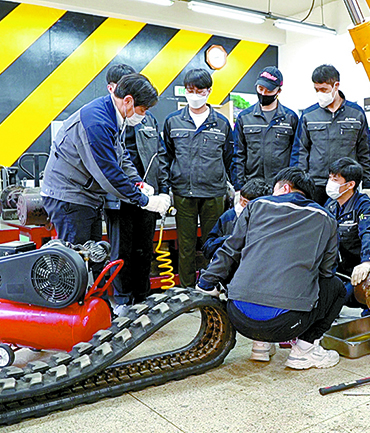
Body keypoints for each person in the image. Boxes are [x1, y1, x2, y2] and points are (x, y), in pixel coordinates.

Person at [196, 167, 345, 369]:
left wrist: (206, 282)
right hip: (286, 324)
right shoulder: (326, 218)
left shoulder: (256, 205)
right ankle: (304, 351)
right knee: (336, 287)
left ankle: (260, 346)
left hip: (239, 318)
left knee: (246, 261)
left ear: (284, 187)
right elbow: (327, 272)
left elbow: (230, 249)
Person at [41, 73, 171, 248]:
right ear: (128, 101)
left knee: (94, 256)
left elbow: (121, 155)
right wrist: (145, 201)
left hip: (87, 197)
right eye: (143, 110)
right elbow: (108, 174)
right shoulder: (97, 122)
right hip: (70, 199)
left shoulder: (112, 114)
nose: (144, 115)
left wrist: (137, 182)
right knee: (76, 262)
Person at [102, 65, 169, 316]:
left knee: (144, 249)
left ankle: (142, 297)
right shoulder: (107, 120)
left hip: (147, 196)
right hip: (119, 198)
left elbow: (159, 156)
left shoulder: (148, 118)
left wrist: (161, 191)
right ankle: (123, 300)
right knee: (121, 250)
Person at [162, 68, 235, 287]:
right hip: (184, 193)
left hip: (214, 193)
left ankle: (212, 286)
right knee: (185, 246)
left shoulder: (221, 123)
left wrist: (236, 190)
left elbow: (229, 158)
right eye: (190, 90)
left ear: (209, 91)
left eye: (199, 90)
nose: (194, 94)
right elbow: (166, 157)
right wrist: (166, 189)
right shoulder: (173, 121)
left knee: (213, 244)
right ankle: (187, 291)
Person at [291, 64, 370, 205]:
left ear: (336, 86)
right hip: (315, 184)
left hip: (346, 185)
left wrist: (367, 184)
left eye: (324, 89)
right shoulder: (308, 115)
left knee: (345, 225)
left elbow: (365, 152)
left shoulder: (356, 113)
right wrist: (298, 184)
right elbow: (300, 151)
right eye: (316, 90)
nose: (320, 93)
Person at [324, 157, 370, 306]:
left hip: (367, 269)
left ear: (350, 184)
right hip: (342, 269)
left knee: (343, 297)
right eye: (330, 178)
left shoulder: (364, 206)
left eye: (336, 179)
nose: (330, 183)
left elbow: (369, 234)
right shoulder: (331, 205)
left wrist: (367, 262)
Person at [233, 66, 298, 189]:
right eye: (260, 88)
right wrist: (239, 186)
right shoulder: (244, 117)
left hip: (281, 186)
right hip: (251, 185)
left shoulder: (290, 118)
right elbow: (238, 155)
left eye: (269, 90)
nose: (263, 93)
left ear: (278, 91)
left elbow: (296, 154)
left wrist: (291, 184)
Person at [202, 178, 271, 261]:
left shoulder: (268, 222)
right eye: (240, 200)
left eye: (245, 203)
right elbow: (208, 249)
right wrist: (229, 239)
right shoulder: (229, 216)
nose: (240, 205)